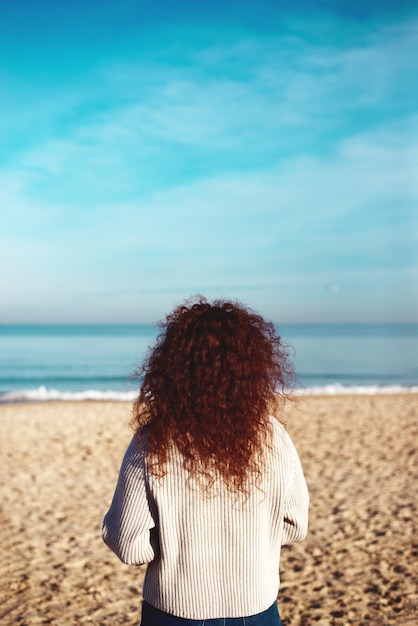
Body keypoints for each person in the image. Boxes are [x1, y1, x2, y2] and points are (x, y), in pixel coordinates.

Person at [102, 297, 309, 625]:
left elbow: (127, 544)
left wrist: (175, 543)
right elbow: (296, 524)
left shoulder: (152, 440)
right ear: (251, 365)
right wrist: (251, 538)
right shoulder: (272, 434)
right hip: (256, 609)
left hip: (175, 612)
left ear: (172, 365)